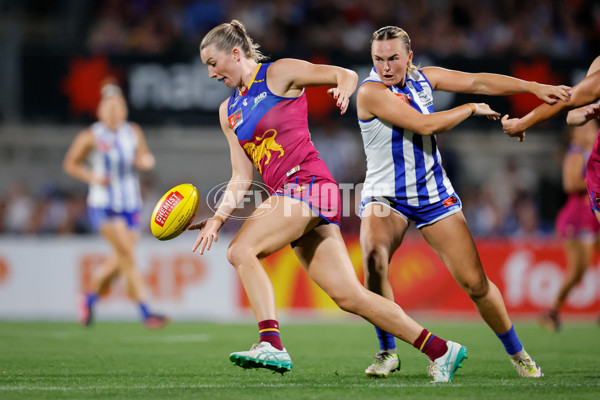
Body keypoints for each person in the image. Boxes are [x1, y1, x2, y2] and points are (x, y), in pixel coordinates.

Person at [190, 20, 466, 382]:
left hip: (308, 183)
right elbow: (242, 177)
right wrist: (216, 219)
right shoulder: (229, 111)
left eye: (213, 63)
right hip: (290, 195)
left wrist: (344, 90)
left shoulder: (278, 73)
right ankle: (441, 349)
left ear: (236, 54)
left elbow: (344, 73)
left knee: (241, 251)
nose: (210, 73)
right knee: (350, 297)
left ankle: (270, 342)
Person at [355, 26, 570, 379]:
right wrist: (469, 108)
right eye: (378, 59)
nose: (385, 66)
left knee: (476, 284)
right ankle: (386, 351)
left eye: (393, 58)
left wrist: (532, 87)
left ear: (409, 57)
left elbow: (480, 81)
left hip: (432, 195)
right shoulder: (371, 92)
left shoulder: (426, 79)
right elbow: (424, 125)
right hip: (385, 196)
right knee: (373, 259)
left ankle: (518, 353)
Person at [63, 80, 169, 329]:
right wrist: (93, 177)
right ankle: (146, 313)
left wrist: (146, 162)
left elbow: (143, 155)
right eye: (109, 107)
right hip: (104, 204)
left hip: (131, 203)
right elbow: (71, 163)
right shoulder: (91, 136)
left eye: (118, 106)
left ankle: (87, 298)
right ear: (100, 110)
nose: (114, 111)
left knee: (120, 259)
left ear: (124, 109)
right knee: (128, 257)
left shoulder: (133, 131)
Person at [539, 122, 600, 332]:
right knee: (576, 272)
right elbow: (569, 184)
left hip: (592, 217)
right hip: (576, 219)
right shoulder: (576, 153)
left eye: (592, 128)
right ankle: (552, 311)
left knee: (579, 271)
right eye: (584, 129)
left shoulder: (592, 154)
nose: (589, 132)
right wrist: (593, 182)